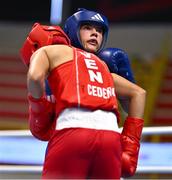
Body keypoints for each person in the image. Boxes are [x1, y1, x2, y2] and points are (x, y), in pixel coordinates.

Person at [23, 9, 146, 179]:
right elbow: (138, 93)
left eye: (100, 30)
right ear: (73, 31)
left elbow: (35, 77)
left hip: (73, 133)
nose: (95, 33)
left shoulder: (49, 52)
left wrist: (38, 109)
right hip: (111, 139)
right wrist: (130, 146)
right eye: (87, 27)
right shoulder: (103, 66)